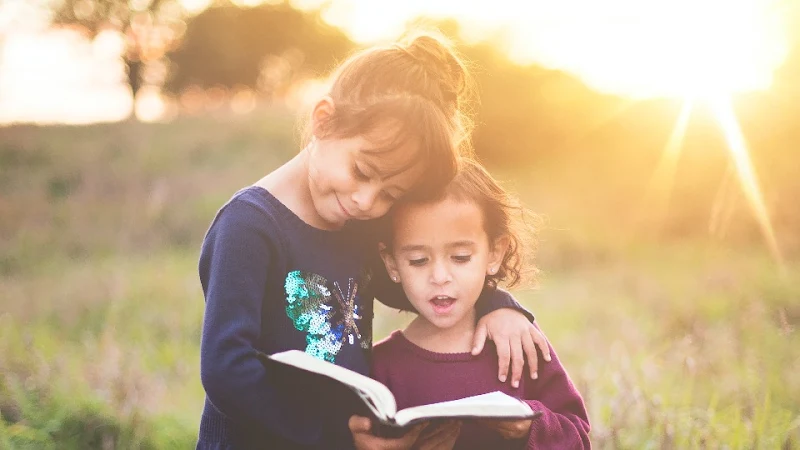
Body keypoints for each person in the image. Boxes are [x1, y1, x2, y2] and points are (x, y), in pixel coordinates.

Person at [196, 31, 552, 450]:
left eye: (391, 194)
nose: (367, 200)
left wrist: (499, 307)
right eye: (362, 172)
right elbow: (226, 370)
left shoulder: (356, 225)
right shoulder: (250, 227)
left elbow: (420, 287)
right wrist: (335, 437)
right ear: (323, 119)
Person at [372, 159, 591, 449]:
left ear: (494, 254)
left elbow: (578, 436)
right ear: (392, 264)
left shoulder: (518, 341)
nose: (439, 277)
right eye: (418, 261)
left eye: (460, 257)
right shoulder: (382, 366)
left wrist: (528, 427)